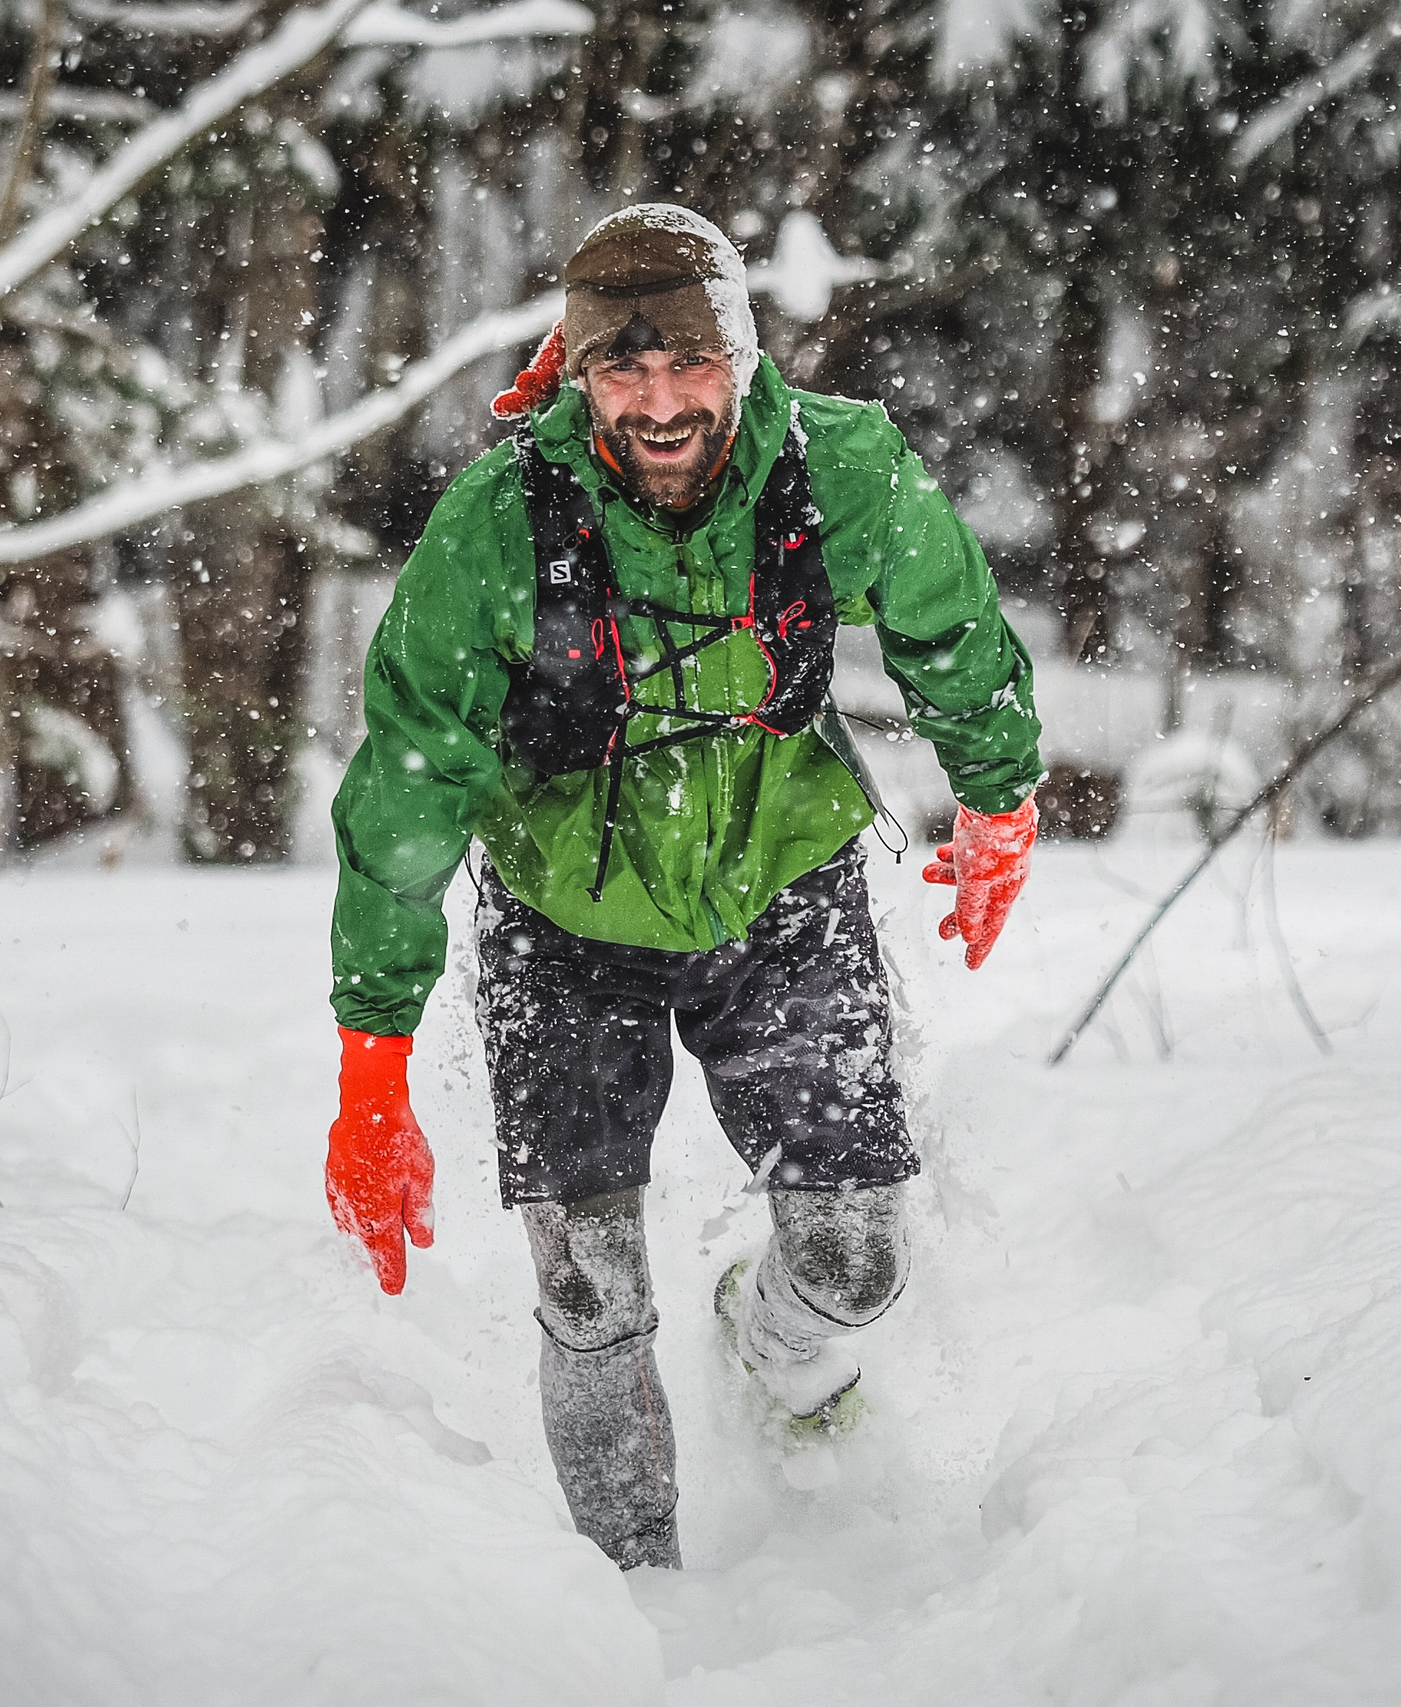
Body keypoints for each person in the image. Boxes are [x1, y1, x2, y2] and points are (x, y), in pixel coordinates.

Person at [324, 204, 1043, 1571]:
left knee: (855, 1265)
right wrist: (372, 1065)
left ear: (744, 357)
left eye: (691, 363)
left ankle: (769, 1355)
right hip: (563, 925)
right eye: (624, 368)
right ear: (578, 370)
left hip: (784, 891)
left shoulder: (840, 469)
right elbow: (408, 794)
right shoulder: (497, 528)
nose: (660, 403)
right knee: (591, 1296)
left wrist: (999, 799)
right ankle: (632, 1597)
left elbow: (951, 630)